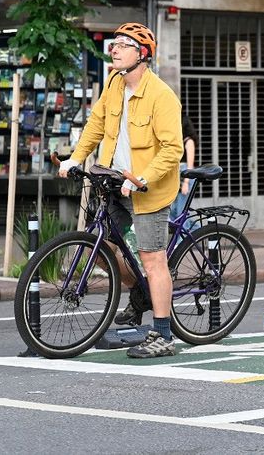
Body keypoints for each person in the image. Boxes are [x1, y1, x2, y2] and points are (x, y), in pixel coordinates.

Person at [60, 23, 183, 358]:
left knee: (152, 258)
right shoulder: (114, 83)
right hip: (114, 180)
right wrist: (76, 156)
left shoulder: (161, 96)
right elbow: (96, 124)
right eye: (113, 44)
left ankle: (163, 335)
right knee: (103, 246)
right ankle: (138, 293)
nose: (113, 49)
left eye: (123, 45)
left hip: (149, 189)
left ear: (141, 55)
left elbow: (173, 150)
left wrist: (142, 177)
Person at [169, 115, 197, 219]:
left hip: (186, 177)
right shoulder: (178, 142)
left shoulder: (189, 142)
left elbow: (190, 166)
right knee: (174, 212)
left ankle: (201, 233)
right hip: (177, 177)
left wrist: (186, 183)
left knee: (181, 212)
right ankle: (201, 233)